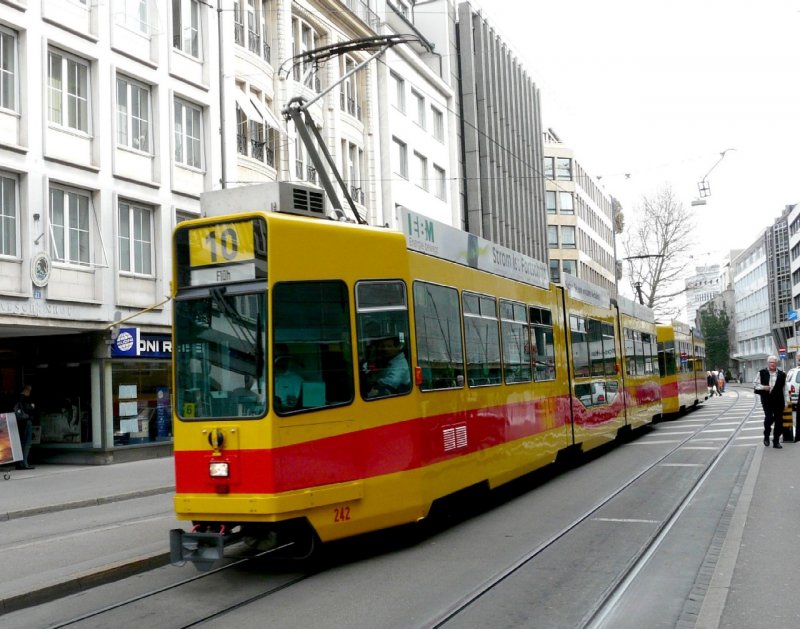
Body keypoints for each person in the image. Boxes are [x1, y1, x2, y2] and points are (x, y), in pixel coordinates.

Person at [754, 355, 788, 449]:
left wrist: (786, 402)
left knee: (779, 421)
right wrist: (763, 387)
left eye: (774, 362)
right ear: (768, 363)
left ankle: (776, 441)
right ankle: (766, 436)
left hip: (779, 400)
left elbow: (785, 389)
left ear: (776, 363)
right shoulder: (761, 373)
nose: (772, 364)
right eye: (770, 362)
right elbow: (755, 385)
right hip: (767, 400)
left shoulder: (782, 374)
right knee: (769, 418)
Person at [273, 345, 303, 411]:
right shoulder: (263, 379)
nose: (278, 361)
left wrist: (295, 402)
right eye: (275, 357)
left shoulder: (296, 379)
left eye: (281, 358)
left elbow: (303, 404)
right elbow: (255, 398)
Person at [13, 385, 35, 469]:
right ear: (25, 390)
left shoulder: (16, 398)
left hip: (18, 423)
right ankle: (24, 463)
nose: (29, 392)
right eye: (28, 390)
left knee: (20, 443)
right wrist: (31, 408)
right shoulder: (24, 399)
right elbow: (29, 410)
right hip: (25, 422)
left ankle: (19, 463)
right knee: (26, 443)